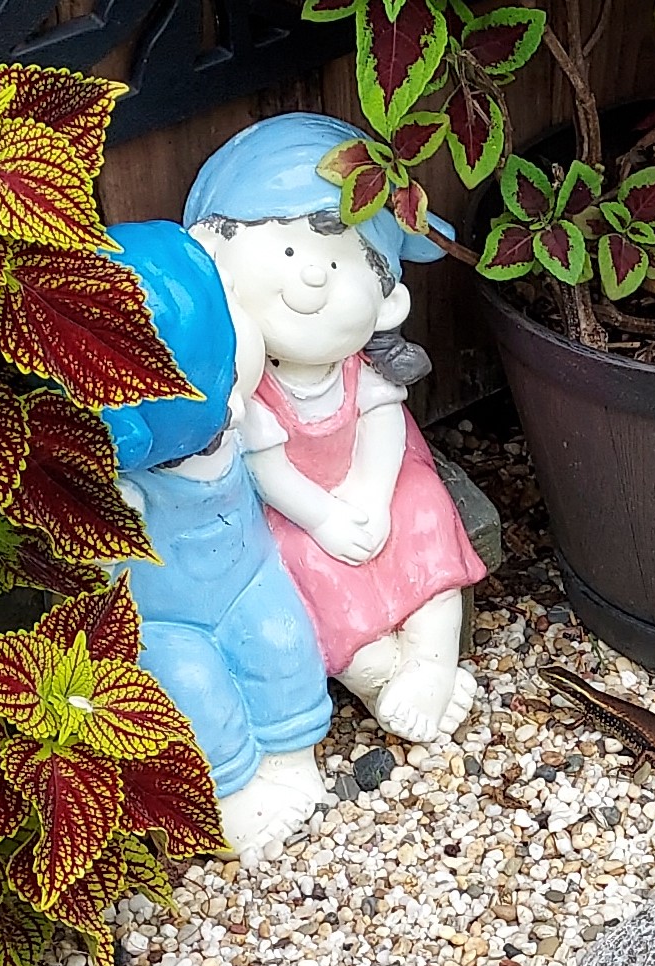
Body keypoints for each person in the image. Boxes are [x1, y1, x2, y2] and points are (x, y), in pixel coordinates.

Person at [184, 113, 486, 743]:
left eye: (340, 261)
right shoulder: (251, 388)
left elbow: (384, 426)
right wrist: (323, 517)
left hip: (376, 480)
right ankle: (382, 677)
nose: (312, 275)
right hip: (295, 508)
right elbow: (267, 467)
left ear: (389, 301)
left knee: (424, 511)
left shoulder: (359, 369)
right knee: (301, 566)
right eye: (289, 250)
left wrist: (373, 495)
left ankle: (432, 661)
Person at [102, 221, 333, 863]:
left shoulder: (237, 420)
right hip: (165, 619)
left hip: (251, 578)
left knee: (283, 641)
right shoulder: (126, 486)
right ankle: (227, 793)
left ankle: (290, 754)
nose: (232, 404)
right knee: (190, 685)